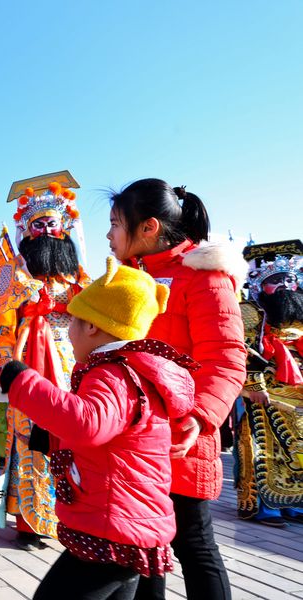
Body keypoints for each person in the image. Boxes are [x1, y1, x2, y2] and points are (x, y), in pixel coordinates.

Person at [0, 256, 195, 600]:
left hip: (113, 524)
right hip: (126, 520)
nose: (68, 332)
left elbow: (88, 424)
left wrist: (22, 381)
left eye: (72, 322)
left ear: (92, 326)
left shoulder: (113, 373)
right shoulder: (134, 370)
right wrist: (52, 436)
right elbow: (114, 434)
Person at [107, 178, 246, 600]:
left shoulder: (204, 276)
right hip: (135, 437)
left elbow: (225, 357)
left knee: (193, 543)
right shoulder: (129, 277)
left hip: (182, 437)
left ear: (148, 227)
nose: (109, 235)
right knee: (144, 541)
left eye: (116, 224)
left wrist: (201, 416)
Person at [0, 173, 91, 550]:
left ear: (65, 228)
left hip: (74, 364)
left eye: (52, 223)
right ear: (27, 232)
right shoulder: (13, 273)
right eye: (38, 225)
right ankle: (31, 520)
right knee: (31, 439)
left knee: (74, 439)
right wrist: (6, 365)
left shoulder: (79, 277)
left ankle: (73, 516)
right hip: (30, 361)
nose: (46, 230)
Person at [235, 240, 303, 526]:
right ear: (260, 285)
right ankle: (264, 507)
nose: (285, 285)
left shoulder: (299, 310)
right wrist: (253, 386)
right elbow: (243, 350)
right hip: (263, 392)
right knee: (261, 447)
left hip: (296, 391)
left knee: (296, 447)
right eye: (276, 280)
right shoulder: (250, 312)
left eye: (289, 279)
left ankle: (292, 503)